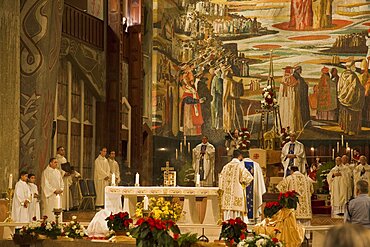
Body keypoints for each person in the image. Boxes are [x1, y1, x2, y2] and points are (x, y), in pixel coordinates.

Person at [219, 149, 253, 222]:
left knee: (228, 213)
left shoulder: (226, 166)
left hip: (227, 195)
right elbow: (248, 178)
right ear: (240, 156)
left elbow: (220, 179)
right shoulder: (240, 166)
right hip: (237, 192)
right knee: (236, 214)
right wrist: (244, 184)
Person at [277, 166, 314, 231]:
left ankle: (297, 238)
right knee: (306, 225)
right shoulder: (307, 179)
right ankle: (307, 237)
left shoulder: (289, 178)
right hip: (306, 209)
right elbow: (312, 191)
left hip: (295, 208)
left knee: (296, 226)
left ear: (292, 171)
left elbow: (280, 188)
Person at [337, 59, 365, 135]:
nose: (355, 67)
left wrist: (341, 95)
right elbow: (355, 88)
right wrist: (362, 88)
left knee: (346, 114)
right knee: (352, 116)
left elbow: (339, 87)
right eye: (354, 65)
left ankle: (346, 129)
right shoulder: (353, 76)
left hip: (343, 99)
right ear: (351, 66)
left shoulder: (342, 74)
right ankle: (351, 130)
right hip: (352, 100)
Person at [242, 151, 266, 222]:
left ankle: (244, 219)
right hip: (254, 191)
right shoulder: (256, 165)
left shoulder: (240, 165)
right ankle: (254, 217)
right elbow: (260, 180)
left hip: (243, 189)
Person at [278, 66, 303, 132]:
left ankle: (283, 125)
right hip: (289, 98)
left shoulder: (283, 78)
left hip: (284, 100)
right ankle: (289, 126)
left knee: (284, 111)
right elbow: (294, 86)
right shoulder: (291, 78)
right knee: (290, 111)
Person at [55, 146, 72, 211]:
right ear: (58, 151)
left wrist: (69, 172)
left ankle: (65, 207)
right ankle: (62, 207)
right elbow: (58, 168)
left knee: (65, 192)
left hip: (65, 178)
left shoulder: (64, 159)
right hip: (61, 178)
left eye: (63, 150)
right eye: (61, 150)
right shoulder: (57, 159)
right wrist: (64, 173)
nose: (63, 151)